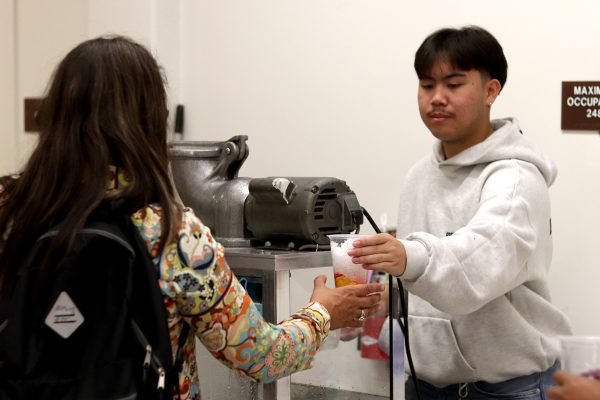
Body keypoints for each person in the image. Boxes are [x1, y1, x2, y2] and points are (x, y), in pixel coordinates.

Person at [0, 36, 384, 399]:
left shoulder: (11, 210)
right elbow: (259, 354)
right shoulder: (169, 233)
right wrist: (322, 313)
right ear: (149, 122)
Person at [348, 25, 572, 399]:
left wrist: (408, 255)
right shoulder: (419, 175)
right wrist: (379, 299)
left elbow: (476, 267)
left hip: (507, 390)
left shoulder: (514, 178)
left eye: (453, 85)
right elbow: (423, 284)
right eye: (426, 85)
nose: (437, 98)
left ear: (490, 90)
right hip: (425, 385)